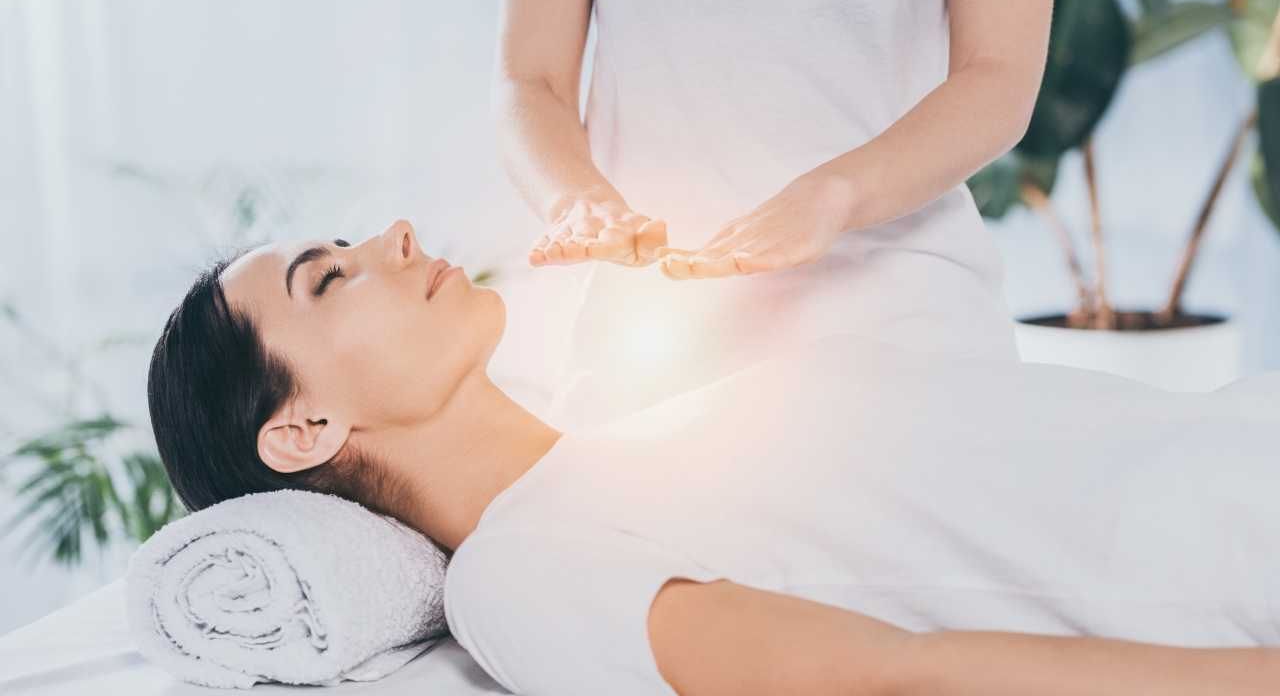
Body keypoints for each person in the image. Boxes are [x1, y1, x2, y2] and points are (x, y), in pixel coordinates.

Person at [147, 219, 1280, 696]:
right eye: (329, 277)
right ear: (302, 432)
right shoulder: (515, 572)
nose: (393, 234)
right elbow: (895, 675)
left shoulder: (633, 427)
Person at [493, 0, 1056, 432]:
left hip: (902, 315)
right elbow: (532, 81)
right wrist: (578, 202)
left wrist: (836, 193)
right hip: (651, 338)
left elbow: (997, 74)